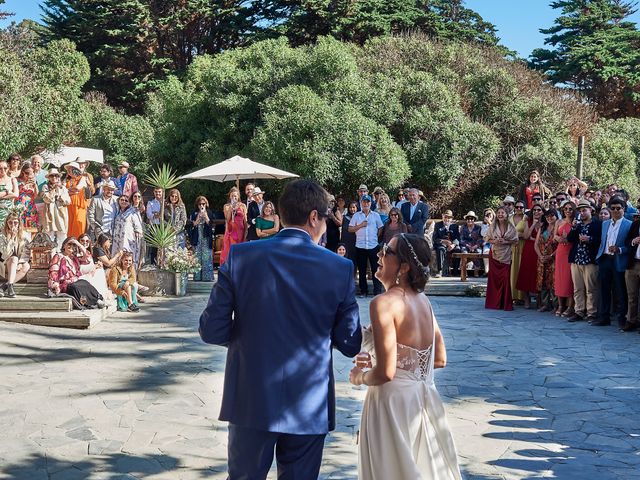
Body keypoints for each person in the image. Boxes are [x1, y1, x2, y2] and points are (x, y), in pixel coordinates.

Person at [199, 179, 361, 479]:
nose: (325, 226)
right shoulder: (339, 268)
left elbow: (212, 330)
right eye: (325, 219)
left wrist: (249, 338)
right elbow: (350, 342)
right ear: (314, 217)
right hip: (308, 400)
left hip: (251, 393)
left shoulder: (241, 257)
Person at [349, 233, 461, 479]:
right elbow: (439, 358)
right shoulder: (423, 302)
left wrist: (359, 376)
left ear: (404, 266)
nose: (378, 255)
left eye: (385, 251)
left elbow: (386, 373)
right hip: (422, 399)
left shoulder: (383, 303)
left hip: (391, 404)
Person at [594, 197, 631, 327]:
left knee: (621, 290)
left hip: (619, 259)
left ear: (624, 209)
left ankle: (622, 318)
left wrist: (619, 249)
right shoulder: (605, 224)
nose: (615, 211)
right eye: (613, 208)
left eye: (618, 208)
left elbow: (631, 246)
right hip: (605, 259)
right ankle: (604, 317)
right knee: (604, 289)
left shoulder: (629, 224)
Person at [566, 200, 602, 323]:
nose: (582, 213)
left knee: (591, 288)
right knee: (578, 288)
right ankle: (579, 311)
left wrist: (589, 239)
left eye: (584, 210)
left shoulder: (598, 224)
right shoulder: (578, 224)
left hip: (590, 260)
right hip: (576, 260)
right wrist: (574, 227)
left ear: (591, 210)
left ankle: (591, 313)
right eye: (580, 211)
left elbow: (600, 240)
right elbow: (570, 239)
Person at [50, 237, 103, 308]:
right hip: (64, 284)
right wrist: (55, 285)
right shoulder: (58, 256)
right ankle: (87, 303)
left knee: (84, 282)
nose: (71, 246)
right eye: (69, 244)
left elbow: (87, 257)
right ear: (64, 245)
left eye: (73, 245)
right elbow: (53, 272)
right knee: (75, 286)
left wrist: (78, 244)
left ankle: (98, 299)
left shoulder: (74, 258)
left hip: (75, 281)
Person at [349, 195, 384, 297]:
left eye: (368, 202)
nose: (366, 204)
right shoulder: (356, 216)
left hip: (373, 246)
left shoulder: (376, 215)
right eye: (364, 202)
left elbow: (381, 227)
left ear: (370, 203)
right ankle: (364, 291)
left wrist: (376, 237)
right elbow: (350, 229)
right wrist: (360, 225)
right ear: (361, 203)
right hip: (360, 246)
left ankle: (377, 291)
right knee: (362, 270)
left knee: (375, 269)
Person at [485, 207, 519, 310]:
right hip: (495, 255)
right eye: (498, 212)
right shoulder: (493, 226)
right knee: (494, 279)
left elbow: (516, 241)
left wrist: (506, 242)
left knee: (505, 278)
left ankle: (504, 303)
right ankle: (493, 303)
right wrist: (494, 241)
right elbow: (487, 239)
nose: (500, 214)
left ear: (506, 214)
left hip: (506, 256)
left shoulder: (511, 226)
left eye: (502, 213)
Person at [516, 205, 544, 308]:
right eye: (534, 210)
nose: (536, 212)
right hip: (529, 249)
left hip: (540, 250)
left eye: (539, 210)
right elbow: (526, 236)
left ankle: (540, 299)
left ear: (542, 212)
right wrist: (534, 224)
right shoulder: (528, 221)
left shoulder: (545, 222)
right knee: (526, 272)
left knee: (538, 273)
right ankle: (526, 298)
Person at [0, 213, 31, 298]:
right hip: (4, 263)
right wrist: (11, 239)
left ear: (19, 223)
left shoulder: (24, 235)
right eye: (10, 222)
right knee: (14, 259)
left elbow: (26, 252)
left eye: (15, 222)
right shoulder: (2, 235)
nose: (13, 225)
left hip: (17, 262)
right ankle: (10, 287)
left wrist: (21, 263)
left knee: (26, 266)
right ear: (7, 223)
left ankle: (6, 286)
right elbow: (4, 254)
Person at [554, 201, 576, 317]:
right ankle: (560, 305)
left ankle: (570, 306)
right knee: (559, 279)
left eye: (570, 209)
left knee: (569, 280)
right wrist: (558, 238)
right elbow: (554, 236)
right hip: (560, 252)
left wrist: (568, 238)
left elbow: (576, 237)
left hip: (570, 251)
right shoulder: (559, 221)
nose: (568, 211)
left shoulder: (575, 222)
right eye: (566, 208)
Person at [41, 168, 71, 249]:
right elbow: (47, 199)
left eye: (56, 175)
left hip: (61, 214)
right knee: (49, 234)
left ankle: (62, 252)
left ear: (58, 177)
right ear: (49, 177)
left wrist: (60, 196)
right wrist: (54, 190)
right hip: (49, 214)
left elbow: (68, 201)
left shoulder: (63, 188)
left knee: (62, 234)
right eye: (52, 176)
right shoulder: (45, 187)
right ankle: (50, 254)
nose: (54, 177)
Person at [535, 209, 558, 312]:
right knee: (543, 281)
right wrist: (540, 256)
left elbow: (560, 246)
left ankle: (556, 304)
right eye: (547, 216)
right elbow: (536, 244)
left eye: (552, 216)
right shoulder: (543, 227)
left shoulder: (558, 228)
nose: (549, 218)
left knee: (553, 281)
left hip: (554, 259)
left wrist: (551, 255)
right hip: (542, 258)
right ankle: (545, 304)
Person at [187, 196, 215, 281]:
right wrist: (198, 219)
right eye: (200, 204)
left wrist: (206, 216)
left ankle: (207, 277)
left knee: (207, 256)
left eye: (203, 204)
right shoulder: (194, 213)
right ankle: (197, 277)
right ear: (197, 205)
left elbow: (212, 225)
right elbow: (191, 225)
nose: (202, 205)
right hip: (197, 237)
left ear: (206, 204)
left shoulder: (209, 212)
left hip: (206, 238)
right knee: (197, 256)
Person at [112, 194, 144, 264]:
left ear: (129, 202)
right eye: (122, 200)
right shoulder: (117, 212)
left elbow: (138, 227)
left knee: (127, 259)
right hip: (117, 240)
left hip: (128, 240)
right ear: (118, 201)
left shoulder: (132, 212)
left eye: (126, 200)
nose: (124, 202)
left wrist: (137, 242)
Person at [220, 187, 247, 265]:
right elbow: (227, 219)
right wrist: (231, 209)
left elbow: (245, 220)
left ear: (238, 196)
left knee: (240, 253)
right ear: (230, 196)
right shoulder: (226, 206)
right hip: (231, 232)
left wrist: (245, 233)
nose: (234, 198)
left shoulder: (243, 206)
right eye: (232, 196)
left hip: (240, 231)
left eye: (235, 196)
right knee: (229, 251)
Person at [622, 214, 640, 332]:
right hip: (633, 263)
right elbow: (627, 241)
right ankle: (631, 320)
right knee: (631, 295)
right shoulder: (635, 224)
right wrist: (633, 241)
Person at [64, 162, 90, 238]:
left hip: (79, 205)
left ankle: (78, 243)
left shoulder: (83, 178)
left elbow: (77, 188)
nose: (68, 171)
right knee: (69, 226)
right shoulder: (68, 180)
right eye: (68, 169)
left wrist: (67, 191)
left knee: (79, 224)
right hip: (69, 205)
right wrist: (69, 191)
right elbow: (63, 190)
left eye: (70, 169)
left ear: (75, 170)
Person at [432, 209, 460, 277]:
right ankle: (440, 271)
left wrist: (453, 245)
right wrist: (443, 241)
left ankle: (455, 271)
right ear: (443, 217)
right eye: (445, 217)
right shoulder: (438, 225)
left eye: (449, 218)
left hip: (452, 244)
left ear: (451, 219)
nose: (447, 219)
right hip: (441, 244)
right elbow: (435, 238)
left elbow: (457, 238)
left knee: (458, 249)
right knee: (441, 249)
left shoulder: (454, 226)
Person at [511, 201, 527, 302]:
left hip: (522, 245)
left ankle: (522, 297)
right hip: (511, 246)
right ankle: (513, 296)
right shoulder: (509, 218)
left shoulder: (526, 218)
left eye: (521, 207)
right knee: (513, 270)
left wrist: (517, 235)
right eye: (517, 207)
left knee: (522, 270)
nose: (519, 209)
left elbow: (526, 234)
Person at [459, 211, 483, 276]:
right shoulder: (463, 227)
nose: (469, 220)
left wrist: (475, 246)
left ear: (474, 220)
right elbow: (461, 239)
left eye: (471, 219)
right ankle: (464, 271)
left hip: (475, 245)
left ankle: (476, 270)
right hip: (465, 245)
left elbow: (481, 239)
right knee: (464, 253)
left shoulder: (478, 228)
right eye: (468, 219)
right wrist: (468, 246)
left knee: (478, 251)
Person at [16, 162, 39, 230]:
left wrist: (35, 186)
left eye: (31, 173)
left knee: (31, 228)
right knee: (19, 228)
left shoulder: (34, 181)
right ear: (23, 172)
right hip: (20, 207)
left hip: (30, 207)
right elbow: (16, 194)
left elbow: (36, 196)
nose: (28, 175)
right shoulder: (17, 180)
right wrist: (24, 184)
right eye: (26, 173)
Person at [145, 187, 163, 264]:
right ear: (153, 192)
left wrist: (156, 214)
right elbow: (149, 215)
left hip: (164, 227)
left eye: (159, 192)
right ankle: (153, 264)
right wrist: (158, 215)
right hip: (155, 226)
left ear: (162, 192)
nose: (158, 193)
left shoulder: (165, 203)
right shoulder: (150, 203)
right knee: (154, 247)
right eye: (156, 192)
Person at [0, 159, 18, 229]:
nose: (3, 170)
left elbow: (16, 195)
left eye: (5, 168)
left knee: (8, 230)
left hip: (8, 211)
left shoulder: (12, 179)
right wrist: (8, 192)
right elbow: (12, 194)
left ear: (8, 168)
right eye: (0, 168)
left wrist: (2, 197)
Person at [341, 201, 358, 268]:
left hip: (356, 241)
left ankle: (354, 274)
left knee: (355, 259)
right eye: (350, 207)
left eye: (354, 207)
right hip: (347, 241)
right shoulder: (345, 217)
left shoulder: (360, 217)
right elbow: (344, 230)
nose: (352, 209)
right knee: (347, 258)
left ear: (357, 208)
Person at [480, 208, 495, 274]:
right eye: (486, 215)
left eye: (489, 214)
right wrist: (487, 224)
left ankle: (493, 271)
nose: (488, 216)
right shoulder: (484, 225)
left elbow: (495, 232)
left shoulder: (496, 223)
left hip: (495, 243)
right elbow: (483, 234)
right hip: (487, 243)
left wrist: (490, 223)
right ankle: (487, 271)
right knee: (486, 252)